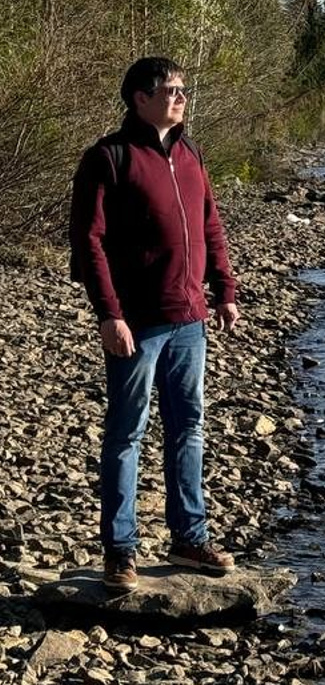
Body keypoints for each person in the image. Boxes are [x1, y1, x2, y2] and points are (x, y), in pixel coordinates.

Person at [70, 56, 240, 591]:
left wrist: (225, 290)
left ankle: (189, 539)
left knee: (188, 427)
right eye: (170, 89)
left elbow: (210, 223)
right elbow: (87, 241)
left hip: (190, 318)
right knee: (126, 432)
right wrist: (109, 314)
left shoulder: (190, 153)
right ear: (139, 98)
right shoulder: (109, 157)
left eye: (184, 90)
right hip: (137, 322)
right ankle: (120, 552)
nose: (181, 98)